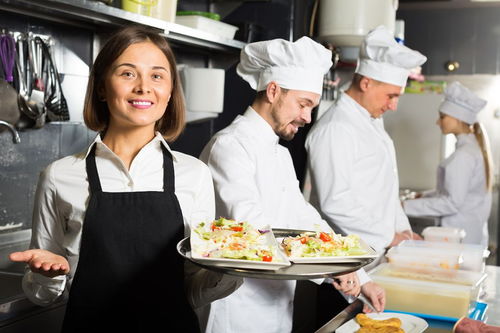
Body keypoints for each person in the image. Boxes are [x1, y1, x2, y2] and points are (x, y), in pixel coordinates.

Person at [9, 25, 214, 332]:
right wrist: (46, 275)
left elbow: (195, 289)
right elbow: (41, 295)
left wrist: (229, 268)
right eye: (128, 73)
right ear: (102, 87)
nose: (144, 87)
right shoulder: (60, 176)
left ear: (170, 92)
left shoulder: (194, 174)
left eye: (157, 75)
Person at [193, 36, 385, 333]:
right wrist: (331, 269)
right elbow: (252, 229)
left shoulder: (279, 152)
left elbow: (304, 218)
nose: (307, 117)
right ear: (272, 91)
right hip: (238, 307)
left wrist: (359, 274)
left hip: (278, 302)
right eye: (303, 104)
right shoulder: (230, 146)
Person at [305, 25, 427, 254]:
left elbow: (387, 190)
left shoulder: (370, 122)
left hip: (374, 252)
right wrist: (390, 236)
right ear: (366, 83)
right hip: (346, 261)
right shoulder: (336, 129)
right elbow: (336, 201)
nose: (394, 106)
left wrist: (405, 233)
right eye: (391, 96)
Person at [403, 81, 493, 247]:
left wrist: (405, 206)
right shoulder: (473, 149)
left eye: (442, 117)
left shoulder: (463, 156)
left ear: (458, 118)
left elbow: (451, 202)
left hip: (458, 236)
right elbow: (458, 192)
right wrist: (425, 195)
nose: (438, 122)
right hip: (470, 233)